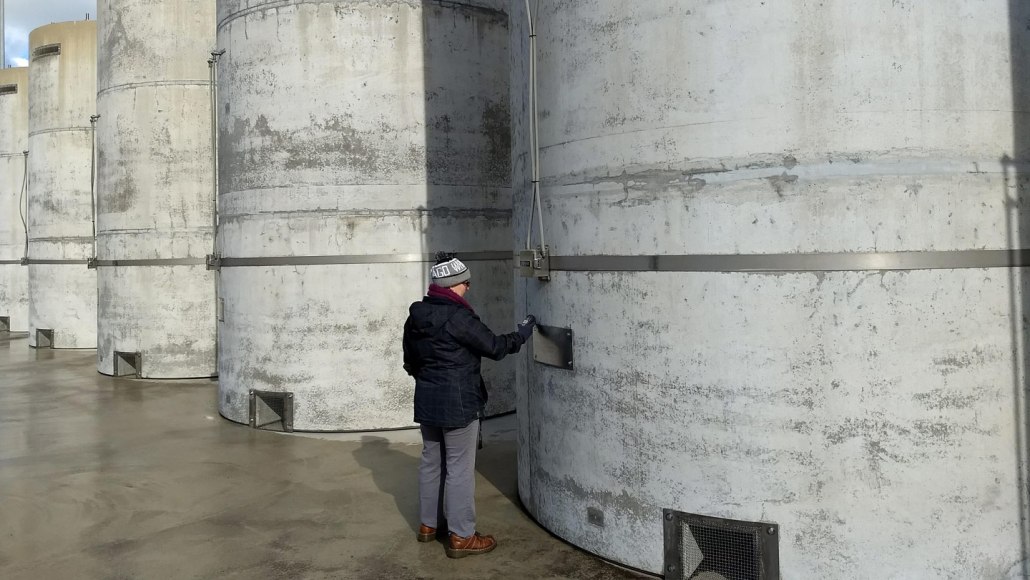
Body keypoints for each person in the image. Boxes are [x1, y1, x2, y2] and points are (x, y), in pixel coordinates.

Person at [402, 253, 536, 558]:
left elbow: (410, 361)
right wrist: (522, 334)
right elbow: (495, 347)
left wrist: (429, 380)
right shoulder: (458, 317)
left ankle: (428, 525)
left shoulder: (417, 316)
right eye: (465, 283)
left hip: (427, 399)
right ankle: (462, 536)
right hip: (459, 403)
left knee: (431, 462)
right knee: (460, 469)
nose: (468, 288)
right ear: (453, 285)